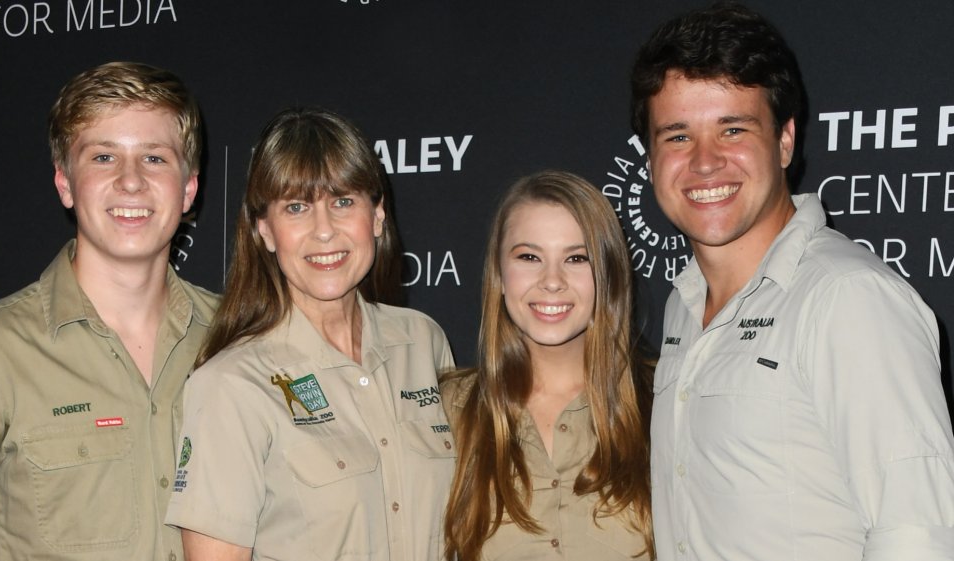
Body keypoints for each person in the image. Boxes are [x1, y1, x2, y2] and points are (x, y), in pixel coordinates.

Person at [630, 3, 954, 560]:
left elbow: (919, 532)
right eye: (678, 137)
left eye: (733, 128)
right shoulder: (683, 305)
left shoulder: (848, 298)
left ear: (784, 141)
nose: (705, 162)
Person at [165, 107, 456, 561]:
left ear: (377, 215)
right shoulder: (230, 385)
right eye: (297, 207)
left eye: (343, 201)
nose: (324, 231)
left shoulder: (423, 342)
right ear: (265, 230)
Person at [0, 62, 218, 560]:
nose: (131, 182)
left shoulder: (240, 336)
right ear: (65, 184)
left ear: (189, 188)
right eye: (103, 157)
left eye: (155, 158)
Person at [441, 170, 655, 561]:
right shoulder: (446, 410)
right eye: (529, 257)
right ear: (500, 275)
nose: (552, 280)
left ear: (607, 273)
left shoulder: (666, 401)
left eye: (576, 258)